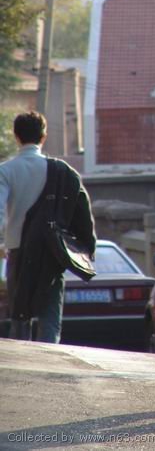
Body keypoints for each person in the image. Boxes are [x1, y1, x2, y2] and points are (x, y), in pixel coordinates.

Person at [0, 111, 96, 343]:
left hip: (18, 250)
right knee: (50, 317)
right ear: (44, 137)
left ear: (16, 136)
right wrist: (86, 248)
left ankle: (22, 360)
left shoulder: (6, 170)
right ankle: (50, 357)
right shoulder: (62, 171)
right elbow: (83, 213)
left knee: (20, 313)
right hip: (52, 250)